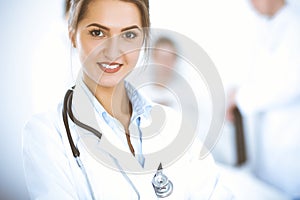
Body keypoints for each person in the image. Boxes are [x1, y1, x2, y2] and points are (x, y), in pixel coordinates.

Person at [22, 0, 232, 199]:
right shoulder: (47, 134)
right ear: (72, 35)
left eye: (129, 35)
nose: (113, 51)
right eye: (97, 33)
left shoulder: (173, 124)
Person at [227, 0, 300, 198]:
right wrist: (237, 92)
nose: (250, 4)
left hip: (290, 137)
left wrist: (242, 98)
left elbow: (293, 83)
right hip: (268, 140)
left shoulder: (296, 27)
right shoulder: (268, 27)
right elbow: (261, 76)